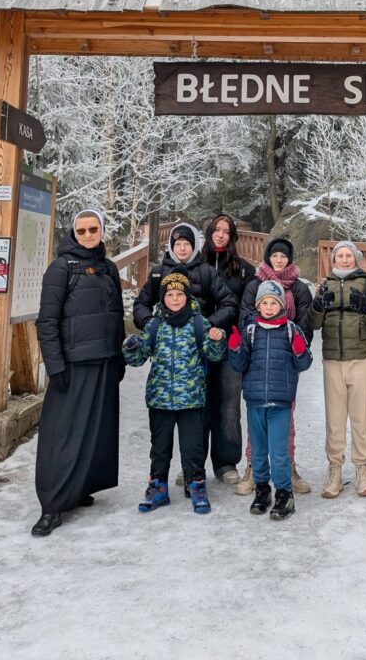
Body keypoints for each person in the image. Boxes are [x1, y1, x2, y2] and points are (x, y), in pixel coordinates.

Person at [33, 209, 125, 537]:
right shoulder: (61, 268)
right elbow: (47, 321)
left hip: (104, 359)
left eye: (93, 229)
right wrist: (55, 365)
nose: (88, 235)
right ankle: (53, 503)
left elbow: (116, 313)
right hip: (74, 363)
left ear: (101, 230)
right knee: (63, 435)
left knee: (96, 431)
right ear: (74, 233)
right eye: (82, 230)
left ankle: (80, 486)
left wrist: (119, 355)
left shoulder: (108, 268)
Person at [132, 221, 236, 487]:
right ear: (171, 246)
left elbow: (228, 303)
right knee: (168, 422)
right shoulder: (159, 273)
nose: (182, 248)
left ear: (194, 246)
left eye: (187, 244)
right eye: (177, 244)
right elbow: (141, 303)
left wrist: (208, 326)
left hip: (199, 348)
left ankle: (199, 467)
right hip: (169, 352)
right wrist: (150, 324)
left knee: (201, 410)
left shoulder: (206, 271)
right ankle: (183, 470)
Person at [123, 270, 227, 514]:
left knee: (193, 446)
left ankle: (196, 485)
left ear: (187, 296)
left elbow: (214, 356)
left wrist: (216, 340)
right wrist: (131, 347)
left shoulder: (199, 323)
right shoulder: (154, 325)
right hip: (160, 399)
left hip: (191, 399)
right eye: (170, 295)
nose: (175, 299)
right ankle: (157, 487)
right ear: (162, 298)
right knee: (160, 447)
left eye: (180, 294)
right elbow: (138, 359)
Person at [228, 280, 312, 520]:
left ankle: (284, 494)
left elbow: (304, 363)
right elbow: (240, 364)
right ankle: (262, 490)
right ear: (257, 306)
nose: (268, 307)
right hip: (255, 400)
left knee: (278, 452)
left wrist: (299, 350)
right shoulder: (250, 330)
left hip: (280, 402)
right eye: (264, 303)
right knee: (258, 450)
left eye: (273, 303)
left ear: (281, 305)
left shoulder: (291, 329)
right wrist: (235, 349)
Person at [236, 236, 313, 495]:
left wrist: (295, 348)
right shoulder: (254, 284)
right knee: (256, 421)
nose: (279, 260)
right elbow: (245, 317)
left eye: (283, 256)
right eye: (275, 255)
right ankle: (252, 467)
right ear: (268, 257)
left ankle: (287, 466)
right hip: (258, 356)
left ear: (289, 259)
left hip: (285, 358)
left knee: (285, 418)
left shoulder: (299, 288)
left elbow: (305, 323)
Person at [310, 240, 366, 498]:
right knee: (335, 418)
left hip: (359, 358)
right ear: (333, 260)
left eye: (348, 256)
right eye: (339, 256)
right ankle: (335, 469)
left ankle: (362, 468)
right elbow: (313, 324)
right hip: (332, 359)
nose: (344, 260)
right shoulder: (325, 285)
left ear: (356, 258)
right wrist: (317, 306)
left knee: (360, 417)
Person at [200, 215, 257, 485]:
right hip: (200, 343)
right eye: (216, 229)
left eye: (226, 231)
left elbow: (248, 309)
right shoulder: (195, 265)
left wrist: (241, 337)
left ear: (233, 237)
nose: (220, 234)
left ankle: (226, 461)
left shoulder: (244, 270)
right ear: (209, 233)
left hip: (230, 345)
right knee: (197, 403)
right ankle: (193, 461)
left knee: (229, 405)